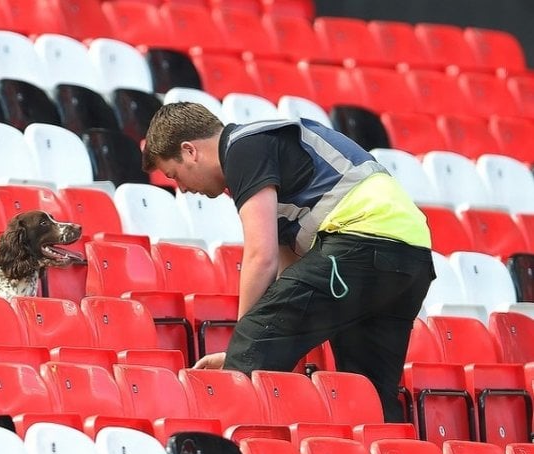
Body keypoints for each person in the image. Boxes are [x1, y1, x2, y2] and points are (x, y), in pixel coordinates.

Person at [141, 102, 435, 422]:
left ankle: (231, 444)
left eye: (174, 174)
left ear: (190, 151)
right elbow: (288, 273)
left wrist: (246, 341)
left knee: (255, 333)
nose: (182, 189)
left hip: (360, 242)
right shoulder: (271, 157)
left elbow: (260, 256)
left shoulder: (243, 148)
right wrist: (249, 348)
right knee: (368, 392)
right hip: (410, 258)